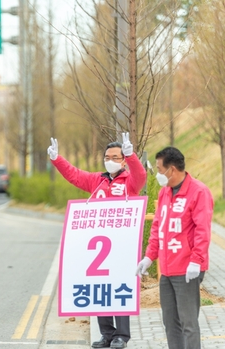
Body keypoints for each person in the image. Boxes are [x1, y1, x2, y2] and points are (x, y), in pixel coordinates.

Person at [48, 133, 146, 349]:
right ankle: (106, 334)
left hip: (122, 245)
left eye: (115, 157)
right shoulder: (97, 180)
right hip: (99, 246)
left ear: (122, 160)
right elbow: (75, 175)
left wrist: (132, 156)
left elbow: (140, 176)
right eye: (107, 156)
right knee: (101, 289)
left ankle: (121, 335)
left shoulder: (129, 181)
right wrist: (57, 159)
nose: (110, 160)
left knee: (120, 288)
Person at [136, 147, 213, 349]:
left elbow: (202, 230)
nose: (158, 174)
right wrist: (149, 257)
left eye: (160, 169)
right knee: (170, 323)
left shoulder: (198, 192)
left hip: (188, 268)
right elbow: (158, 227)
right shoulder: (165, 193)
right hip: (167, 269)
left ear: (171, 169)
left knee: (188, 323)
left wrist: (196, 260)